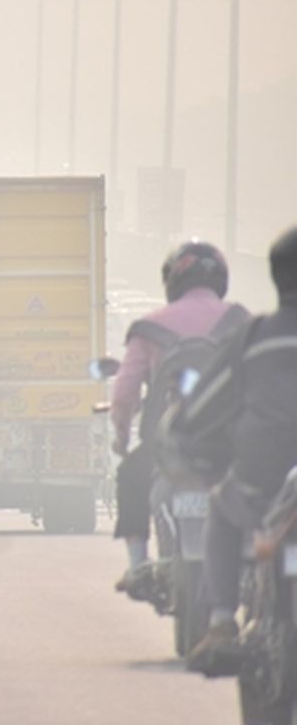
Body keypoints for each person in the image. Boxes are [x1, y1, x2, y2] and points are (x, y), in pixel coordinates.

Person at [180, 226, 297, 673]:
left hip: (259, 483)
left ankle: (222, 620)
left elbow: (200, 411)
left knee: (221, 509)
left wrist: (187, 437)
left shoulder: (254, 337)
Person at [110, 240, 249, 592]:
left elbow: (124, 394)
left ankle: (139, 564)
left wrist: (122, 438)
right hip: (230, 444)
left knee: (130, 475)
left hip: (166, 446)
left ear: (172, 281)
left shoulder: (148, 328)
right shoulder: (241, 321)